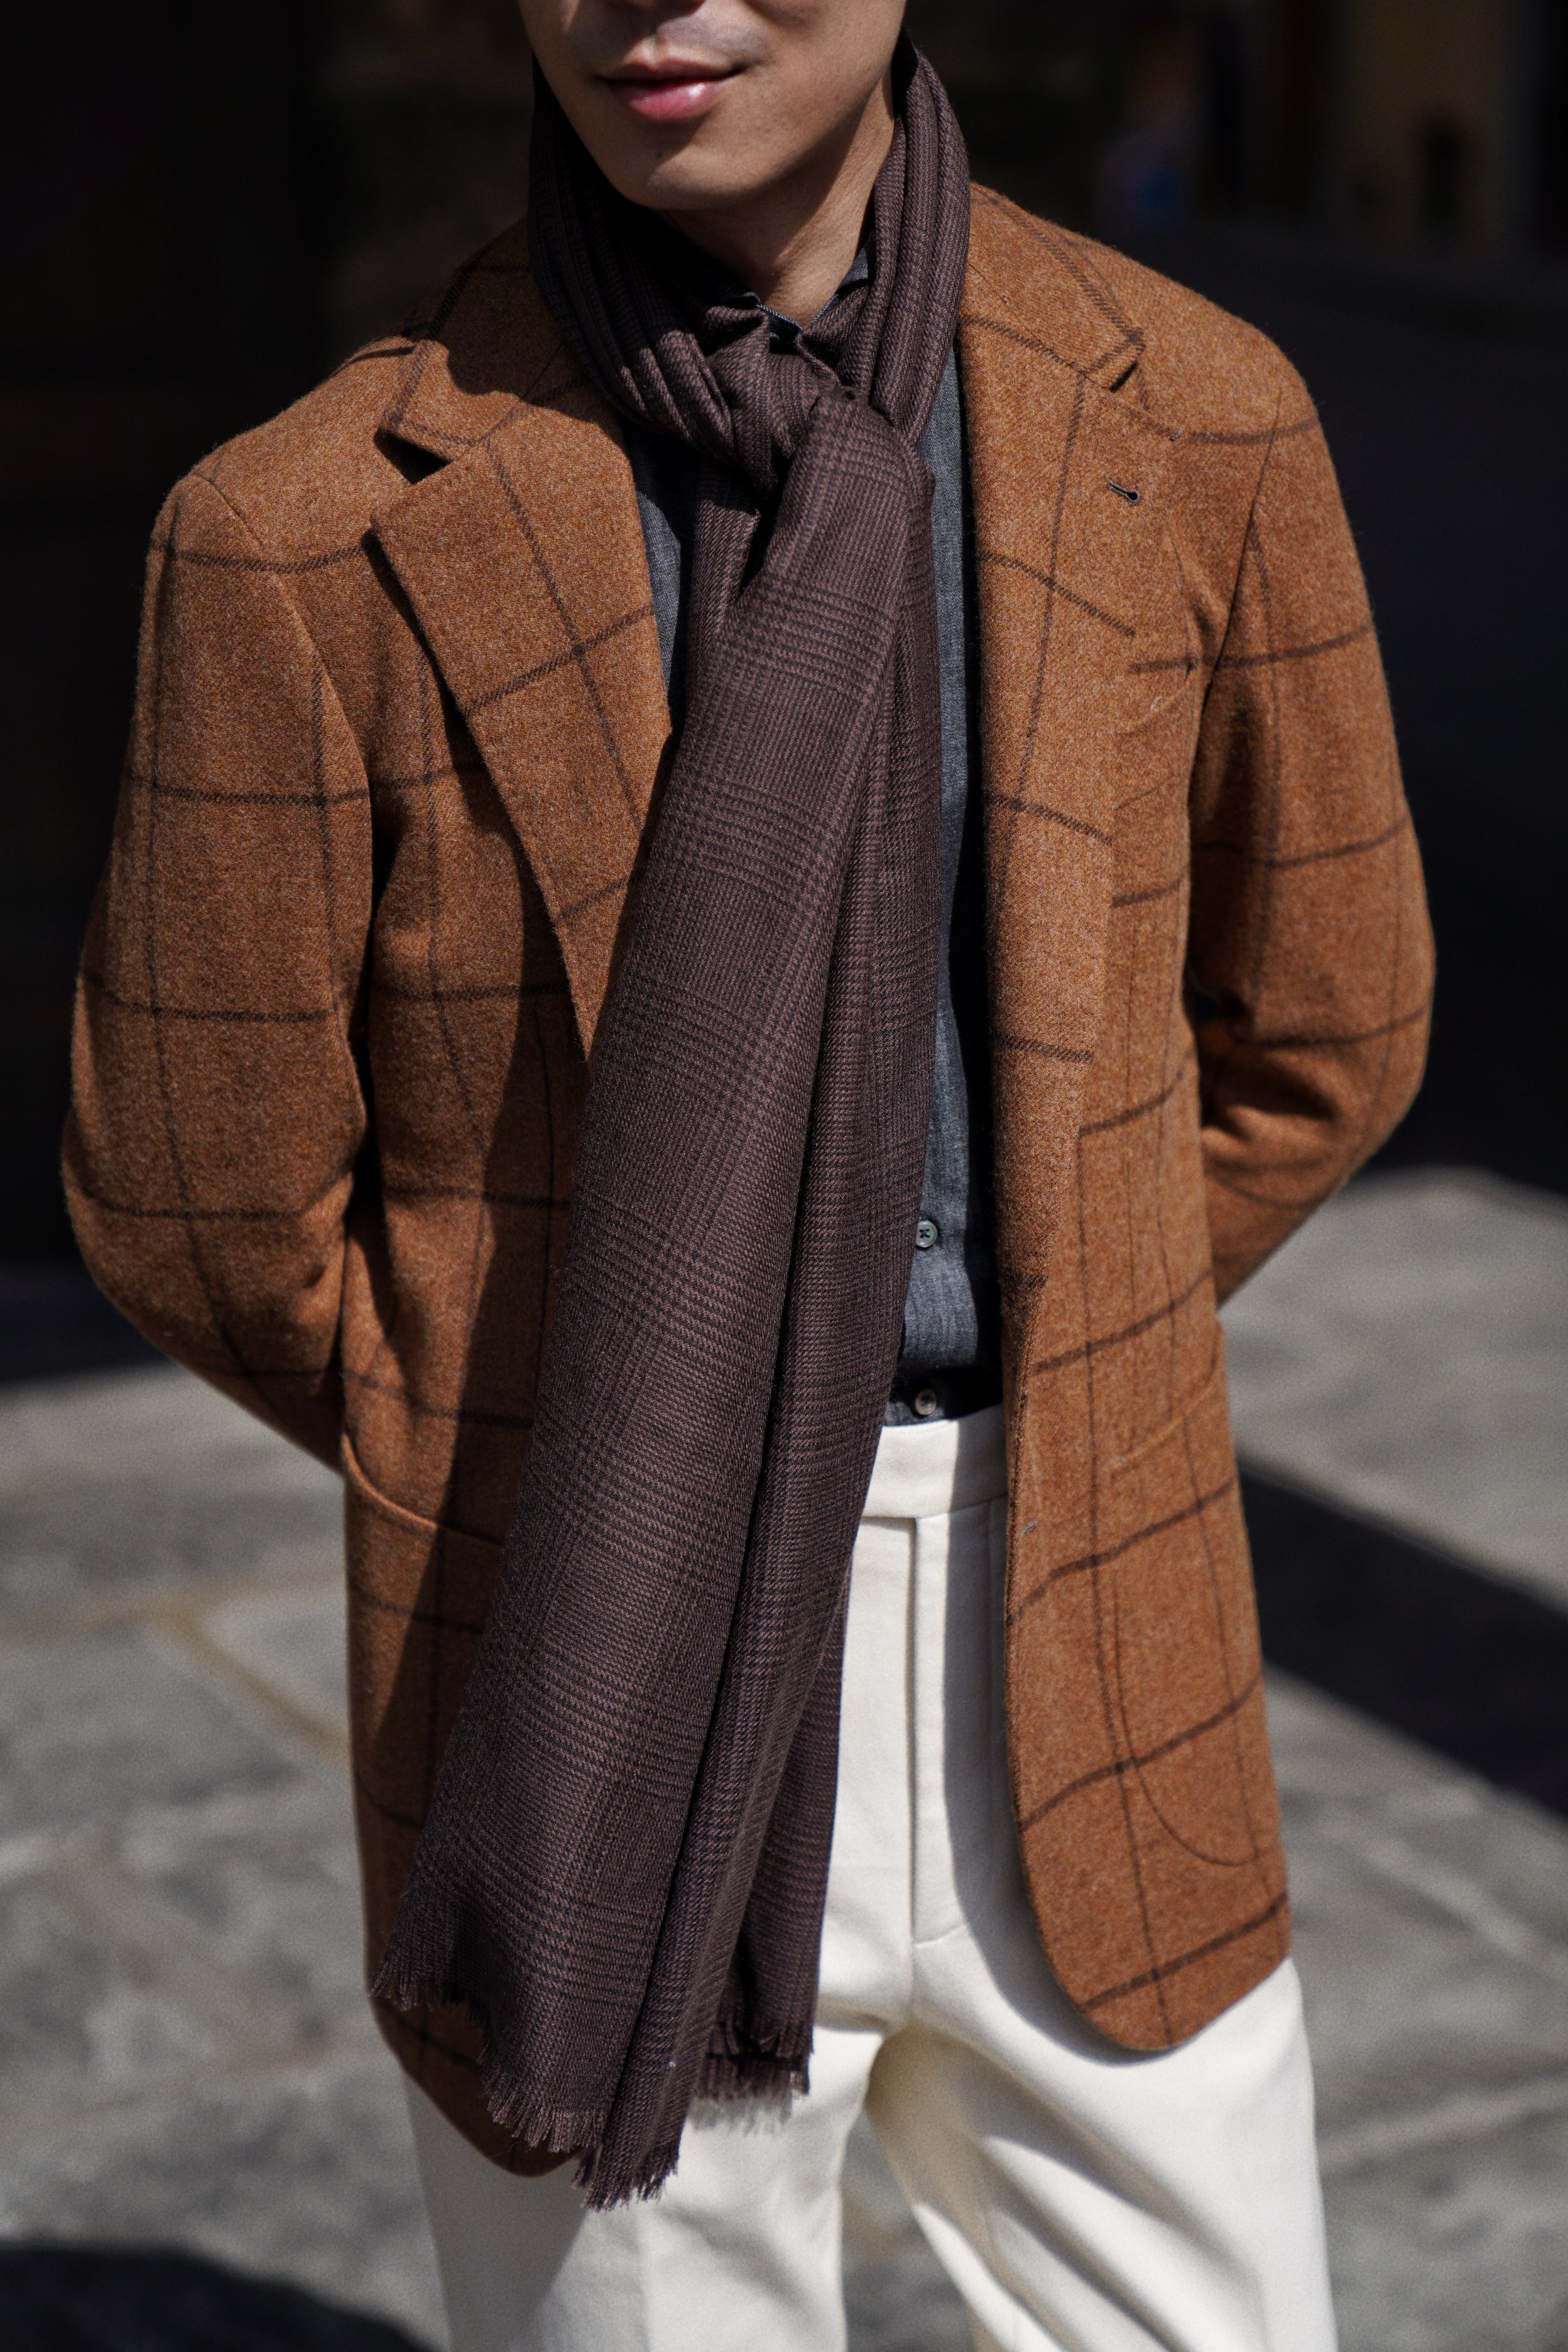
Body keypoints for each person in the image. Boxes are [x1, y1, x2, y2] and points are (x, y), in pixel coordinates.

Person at [65, 3, 1433, 2346]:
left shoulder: (1196, 418)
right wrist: (568, 1436)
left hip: (1085, 1611)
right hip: (582, 1651)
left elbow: (1322, 1026)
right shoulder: (302, 531)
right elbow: (200, 1206)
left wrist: (1086, 1326)